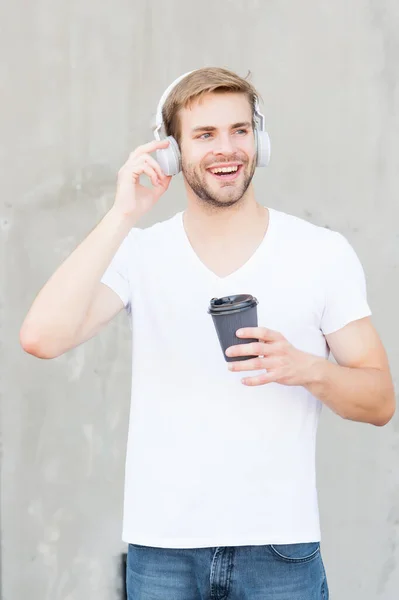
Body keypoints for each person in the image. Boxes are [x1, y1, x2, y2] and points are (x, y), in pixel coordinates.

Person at [20, 67, 395, 600]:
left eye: (240, 130)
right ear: (170, 151)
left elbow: (380, 400)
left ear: (259, 142)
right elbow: (41, 337)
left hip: (280, 550)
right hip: (163, 551)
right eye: (205, 135)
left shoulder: (321, 253)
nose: (227, 149)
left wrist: (307, 368)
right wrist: (123, 212)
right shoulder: (140, 253)